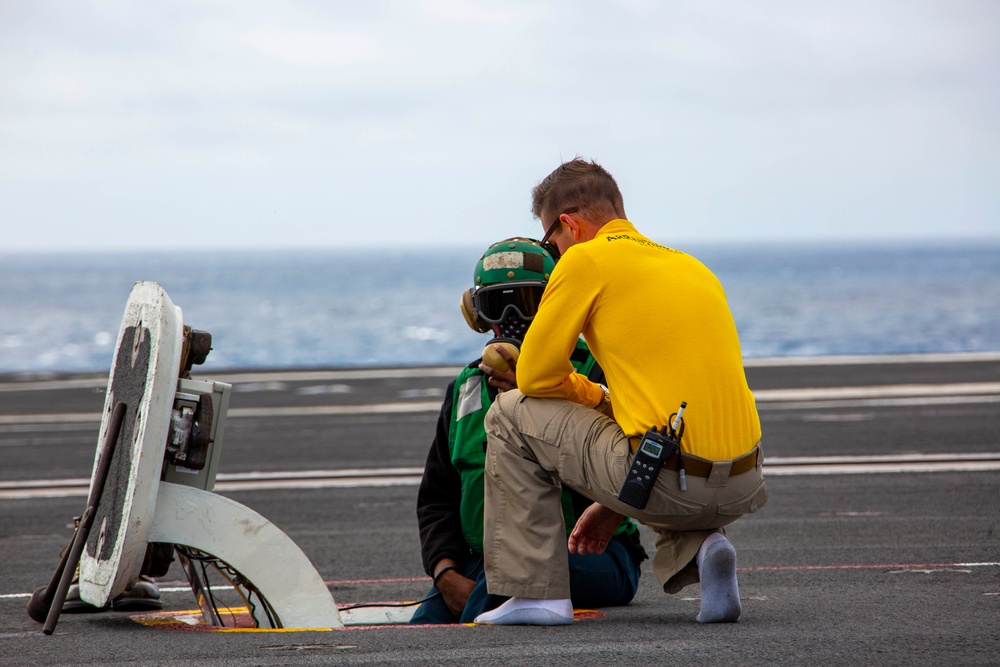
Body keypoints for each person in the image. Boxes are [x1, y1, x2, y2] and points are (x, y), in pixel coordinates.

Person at [474, 159, 767, 626]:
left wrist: (590, 395)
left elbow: (534, 377)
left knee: (510, 412)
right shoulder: (691, 267)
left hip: (670, 479)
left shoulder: (584, 260)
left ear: (567, 224)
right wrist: (613, 497)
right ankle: (706, 548)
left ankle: (537, 595)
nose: (555, 251)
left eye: (552, 241)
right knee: (650, 432)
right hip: (744, 481)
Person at [411, 237, 646, 624]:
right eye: (496, 304)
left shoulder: (594, 374)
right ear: (478, 315)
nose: (512, 316)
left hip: (594, 554)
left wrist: (539, 394)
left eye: (527, 301)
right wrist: (445, 573)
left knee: (492, 595)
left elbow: (624, 465)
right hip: (483, 561)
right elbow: (437, 496)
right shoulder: (465, 388)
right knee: (426, 621)